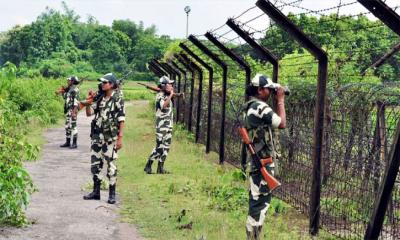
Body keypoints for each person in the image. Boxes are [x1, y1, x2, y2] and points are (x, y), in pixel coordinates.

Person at [243, 73, 286, 239]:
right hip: (262, 163)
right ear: (260, 90)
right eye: (269, 89)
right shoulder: (260, 107)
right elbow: (281, 123)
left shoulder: (250, 106)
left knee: (257, 202)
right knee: (259, 204)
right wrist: (280, 100)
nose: (272, 92)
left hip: (258, 162)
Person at [83, 73, 125, 204]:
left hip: (109, 139)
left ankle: (112, 194)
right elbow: (89, 113)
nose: (102, 84)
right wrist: (88, 102)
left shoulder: (117, 99)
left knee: (111, 165)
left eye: (105, 82)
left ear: (111, 84)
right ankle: (96, 192)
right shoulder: (100, 99)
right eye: (101, 82)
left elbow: (121, 119)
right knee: (95, 165)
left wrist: (120, 138)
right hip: (97, 137)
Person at [144, 76, 175, 174]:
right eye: (169, 84)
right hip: (161, 126)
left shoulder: (166, 94)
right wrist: (171, 95)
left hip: (168, 125)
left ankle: (160, 168)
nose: (171, 86)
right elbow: (163, 106)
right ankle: (148, 165)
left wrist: (170, 94)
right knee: (159, 147)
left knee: (166, 147)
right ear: (164, 85)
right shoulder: (160, 95)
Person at [58, 76, 80, 149]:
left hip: (72, 110)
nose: (68, 81)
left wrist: (74, 112)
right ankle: (67, 142)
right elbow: (65, 98)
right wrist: (62, 91)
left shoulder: (75, 90)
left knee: (73, 126)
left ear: (73, 81)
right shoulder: (69, 89)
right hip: (68, 110)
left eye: (69, 80)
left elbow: (76, 102)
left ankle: (74, 143)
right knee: (67, 126)